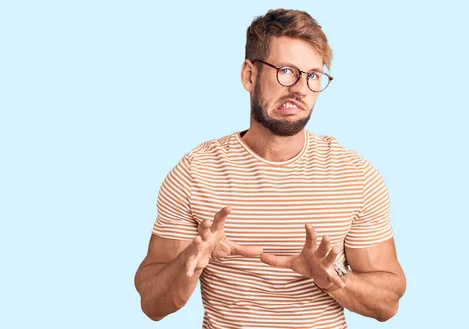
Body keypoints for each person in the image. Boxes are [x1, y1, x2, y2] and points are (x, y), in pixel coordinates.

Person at [134, 8, 406, 329]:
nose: (300, 88)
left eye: (313, 75)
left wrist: (334, 278)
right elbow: (153, 304)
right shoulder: (197, 171)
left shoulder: (354, 174)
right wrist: (191, 259)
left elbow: (387, 305)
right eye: (287, 71)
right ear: (249, 75)